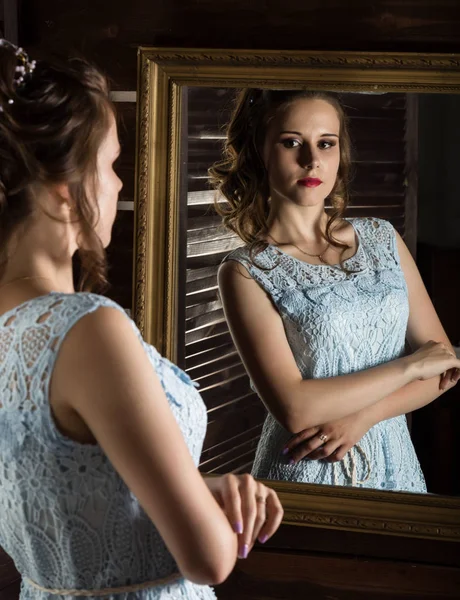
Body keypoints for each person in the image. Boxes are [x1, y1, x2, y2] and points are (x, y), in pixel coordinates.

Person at [0, 42, 283, 600]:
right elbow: (209, 558)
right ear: (63, 194)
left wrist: (198, 486)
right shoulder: (84, 329)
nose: (119, 184)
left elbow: (63, 486)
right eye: (109, 165)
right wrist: (218, 520)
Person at [211, 88, 460, 492]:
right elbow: (295, 408)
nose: (312, 160)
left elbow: (445, 365)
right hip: (306, 469)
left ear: (340, 154)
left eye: (326, 144)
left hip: (394, 461)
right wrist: (410, 366)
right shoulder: (246, 271)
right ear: (260, 152)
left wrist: (362, 418)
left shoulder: (382, 238)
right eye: (292, 142)